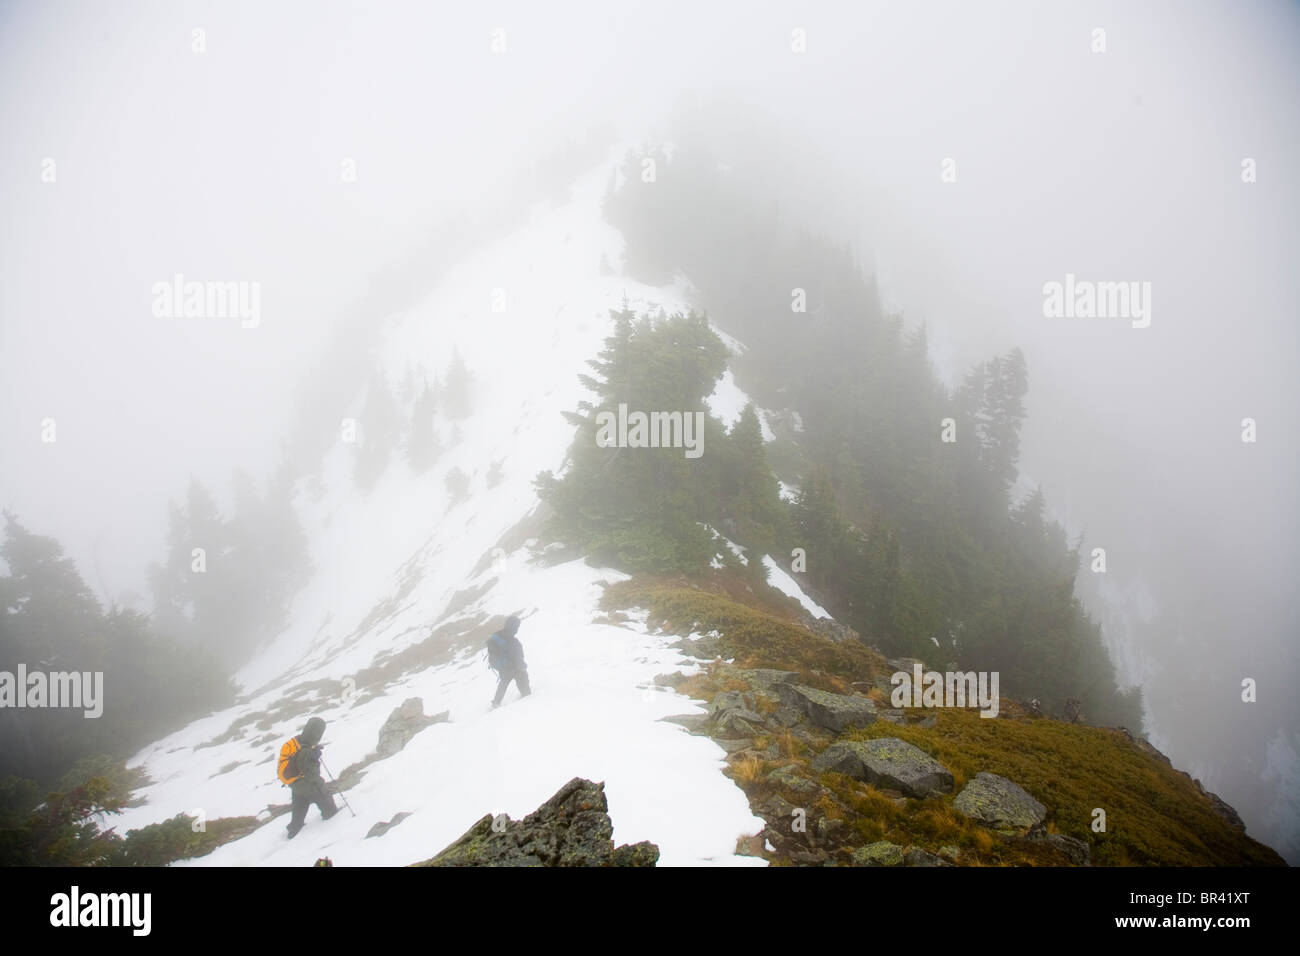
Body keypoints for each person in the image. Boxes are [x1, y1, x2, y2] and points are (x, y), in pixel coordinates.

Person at [278, 716, 339, 839]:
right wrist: (314, 757)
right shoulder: (306, 751)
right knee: (327, 804)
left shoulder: (297, 742)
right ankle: (331, 821)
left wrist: (313, 751)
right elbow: (312, 774)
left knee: (299, 807)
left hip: (294, 784)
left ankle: (293, 831)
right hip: (307, 784)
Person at [487, 614, 530, 708]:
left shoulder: (498, 635)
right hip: (511, 667)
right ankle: (527, 695)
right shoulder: (513, 641)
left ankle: (496, 703)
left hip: (503, 666)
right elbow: (518, 657)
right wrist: (522, 666)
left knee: (504, 682)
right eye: (517, 626)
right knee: (520, 677)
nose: (517, 629)